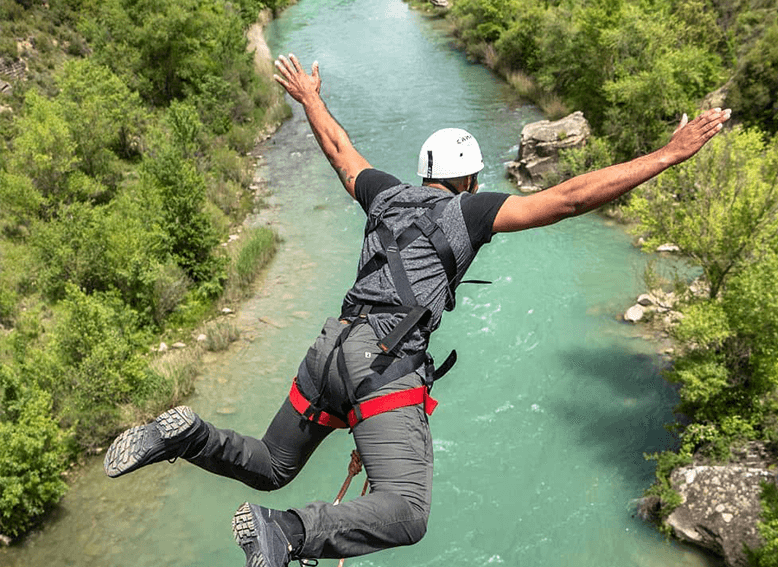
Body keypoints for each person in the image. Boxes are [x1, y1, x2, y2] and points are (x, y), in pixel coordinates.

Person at [103, 53, 731, 567]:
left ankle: (184, 435)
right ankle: (285, 533)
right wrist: (669, 154)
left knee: (271, 465)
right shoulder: (471, 212)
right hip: (381, 366)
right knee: (405, 510)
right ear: (470, 181)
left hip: (330, 350)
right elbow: (567, 199)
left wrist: (309, 97)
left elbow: (340, 149)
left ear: (427, 173)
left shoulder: (386, 196)